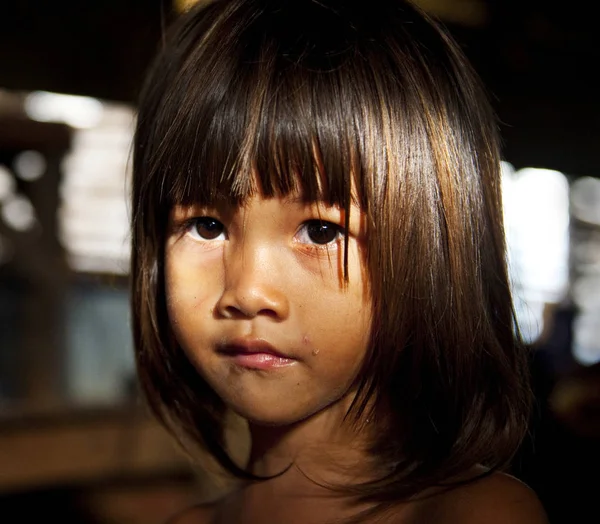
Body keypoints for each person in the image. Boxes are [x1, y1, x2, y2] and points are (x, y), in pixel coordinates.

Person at [130, 0, 549, 522]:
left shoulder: (476, 514)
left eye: (321, 231)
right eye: (207, 226)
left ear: (432, 247)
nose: (247, 292)